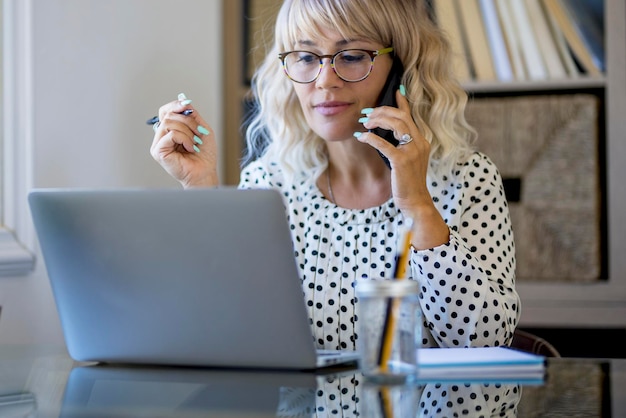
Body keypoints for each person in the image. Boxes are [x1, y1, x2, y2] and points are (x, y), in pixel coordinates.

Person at [150, 0, 520, 351]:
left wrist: (419, 207)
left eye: (353, 56)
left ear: (401, 67)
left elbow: (485, 340)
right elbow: (221, 333)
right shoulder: (269, 184)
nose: (325, 80)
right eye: (307, 57)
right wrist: (200, 190)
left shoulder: (468, 178)